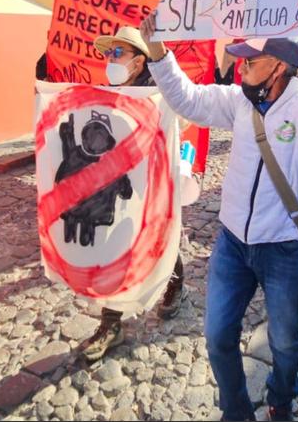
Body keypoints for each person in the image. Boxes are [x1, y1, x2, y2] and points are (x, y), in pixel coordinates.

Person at [140, 0, 298, 421]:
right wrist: (158, 53)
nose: (238, 65)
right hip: (231, 244)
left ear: (278, 65)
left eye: (249, 60)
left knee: (285, 344)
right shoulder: (239, 102)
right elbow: (188, 100)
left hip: (286, 249)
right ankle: (236, 411)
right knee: (217, 337)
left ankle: (281, 402)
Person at [77, 26, 186, 362]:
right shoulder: (106, 92)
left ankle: (174, 282)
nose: (110, 60)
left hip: (149, 185)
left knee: (158, 237)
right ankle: (111, 323)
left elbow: (181, 122)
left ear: (139, 62)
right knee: (111, 246)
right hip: (113, 188)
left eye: (117, 53)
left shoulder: (159, 93)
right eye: (108, 53)